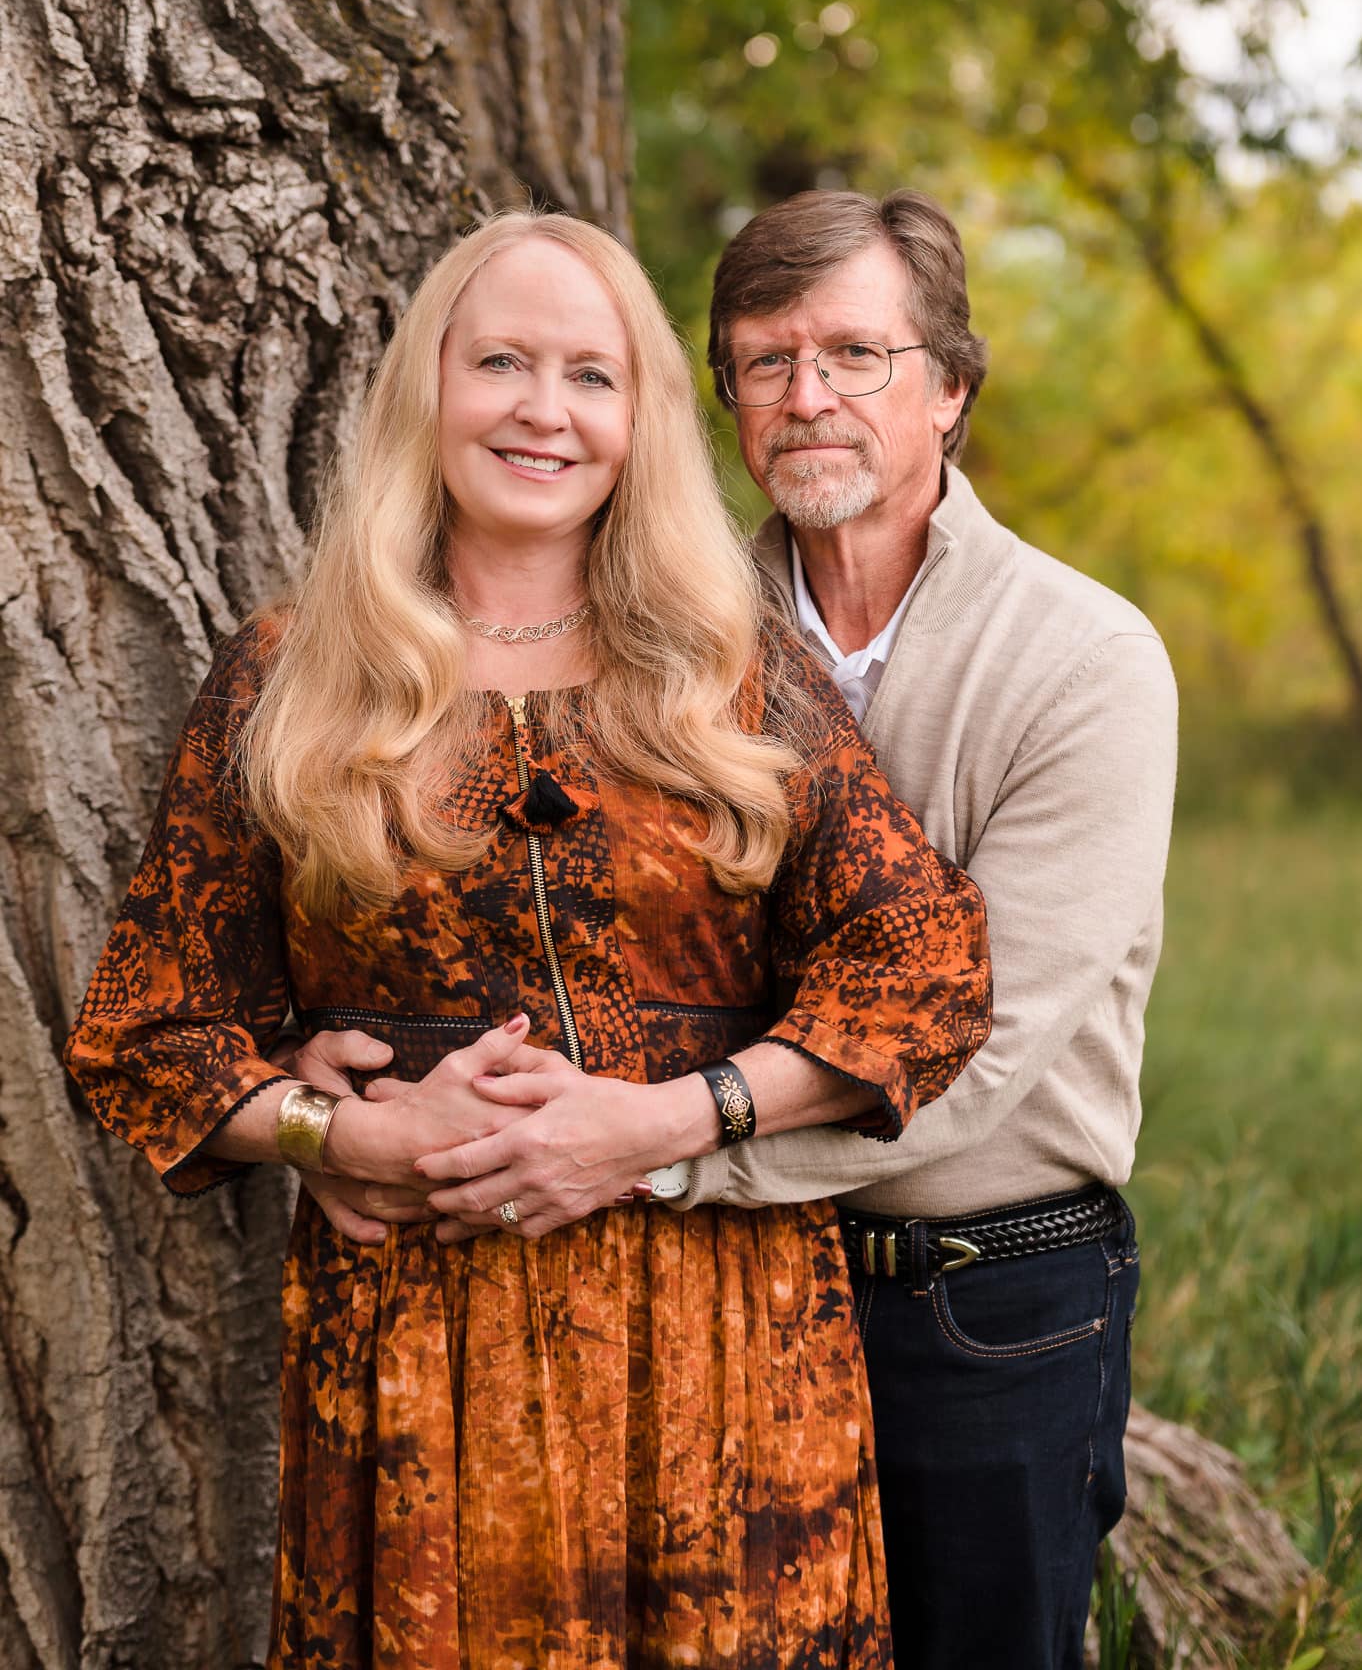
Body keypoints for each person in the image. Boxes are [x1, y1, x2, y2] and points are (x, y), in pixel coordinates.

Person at [64, 209, 991, 1670]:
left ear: (640, 421)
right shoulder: (295, 672)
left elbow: (921, 966)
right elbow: (148, 1028)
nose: (542, 411)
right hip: (416, 1341)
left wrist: (666, 1122)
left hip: (717, 1323)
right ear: (427, 387)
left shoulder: (729, 669)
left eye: (591, 374)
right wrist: (334, 1136)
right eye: (500, 361)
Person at [679, 186, 1178, 1670]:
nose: (804, 397)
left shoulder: (1086, 658)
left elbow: (982, 1048)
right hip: (731, 1290)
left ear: (949, 389)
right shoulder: (673, 636)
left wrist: (647, 1151)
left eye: (854, 355)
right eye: (762, 362)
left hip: (984, 1300)